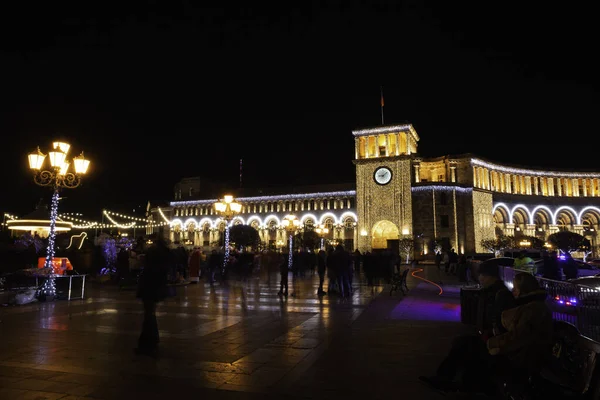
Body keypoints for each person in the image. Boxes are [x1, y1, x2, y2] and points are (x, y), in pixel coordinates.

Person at [419, 262, 515, 393]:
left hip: (495, 340)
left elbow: (502, 320)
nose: (479, 278)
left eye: (481, 275)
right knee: (461, 344)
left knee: (465, 346)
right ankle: (446, 378)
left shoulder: (500, 294)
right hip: (489, 337)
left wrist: (489, 333)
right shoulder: (491, 291)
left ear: (489, 276)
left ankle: (449, 380)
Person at [486, 272, 554, 381]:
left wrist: (492, 343)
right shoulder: (530, 305)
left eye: (515, 288)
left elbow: (519, 336)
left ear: (524, 289)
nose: (513, 291)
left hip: (525, 358)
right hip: (522, 353)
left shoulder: (533, 309)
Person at [135, 238, 169, 356]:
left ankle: (148, 342)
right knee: (150, 313)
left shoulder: (151, 266)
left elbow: (148, 275)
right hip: (156, 288)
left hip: (149, 289)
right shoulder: (164, 257)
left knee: (149, 314)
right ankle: (151, 340)